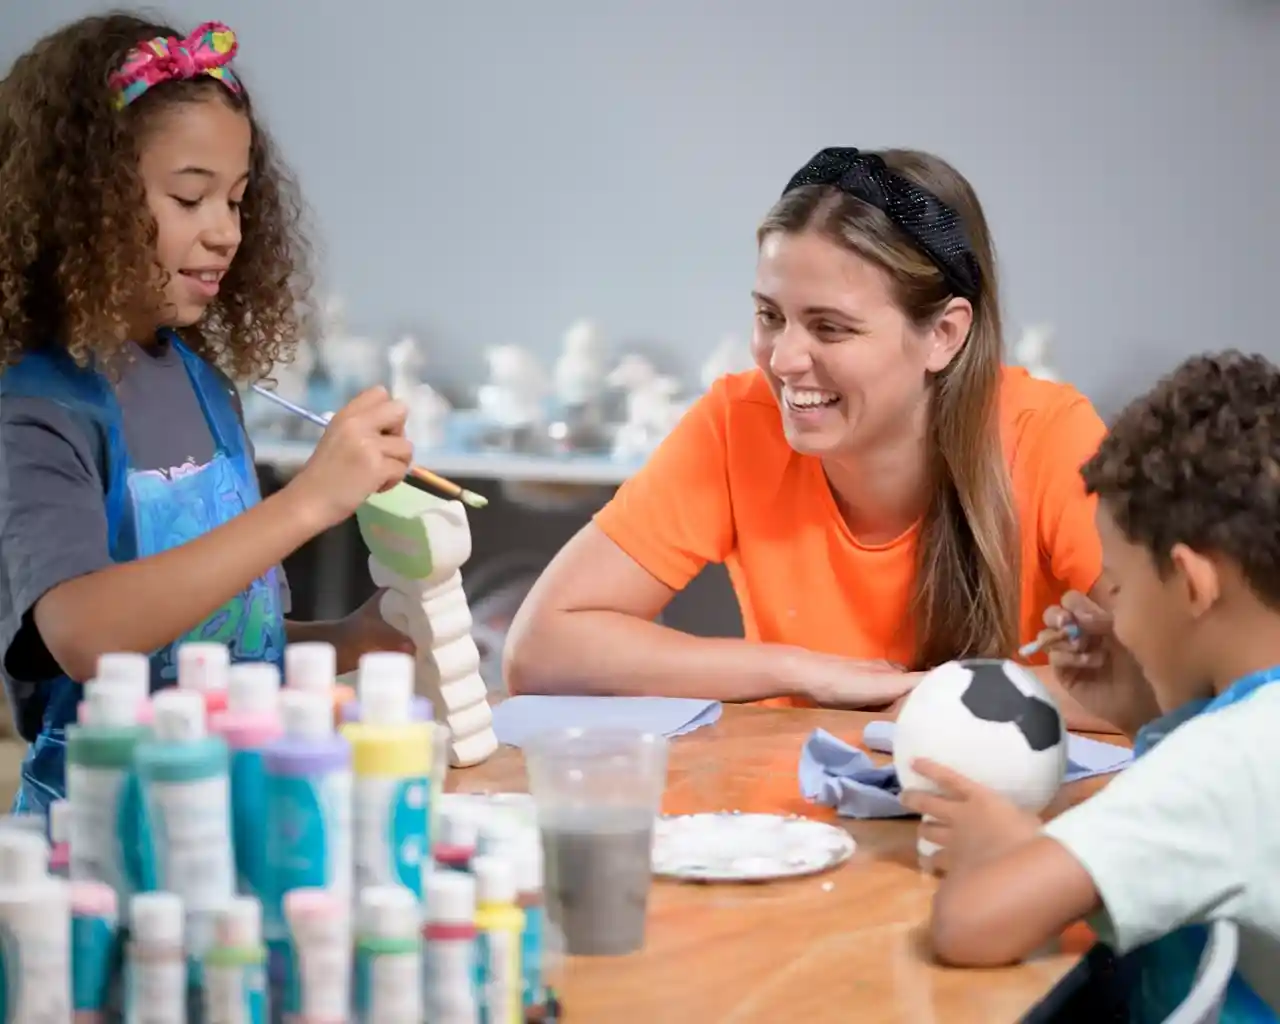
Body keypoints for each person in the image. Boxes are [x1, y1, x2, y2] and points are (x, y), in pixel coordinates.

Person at [505, 146, 1117, 730]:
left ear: (944, 335)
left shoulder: (1050, 438)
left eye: (830, 327)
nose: (784, 359)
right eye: (770, 317)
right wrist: (800, 670)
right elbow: (540, 647)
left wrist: (951, 701)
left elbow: (1184, 679)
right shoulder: (736, 422)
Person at [0, 14, 414, 812]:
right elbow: (85, 633)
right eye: (190, 198)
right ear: (82, 206)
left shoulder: (203, 385)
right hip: (99, 835)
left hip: (231, 817)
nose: (224, 232)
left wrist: (352, 641)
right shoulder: (37, 408)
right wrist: (307, 504)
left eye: (236, 199)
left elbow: (223, 657)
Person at [905, 351, 1280, 1022]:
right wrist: (1140, 708)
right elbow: (1208, 837)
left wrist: (1006, 850)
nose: (1110, 608)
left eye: (1119, 584)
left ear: (1193, 584)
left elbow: (970, 926)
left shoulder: (1232, 760)